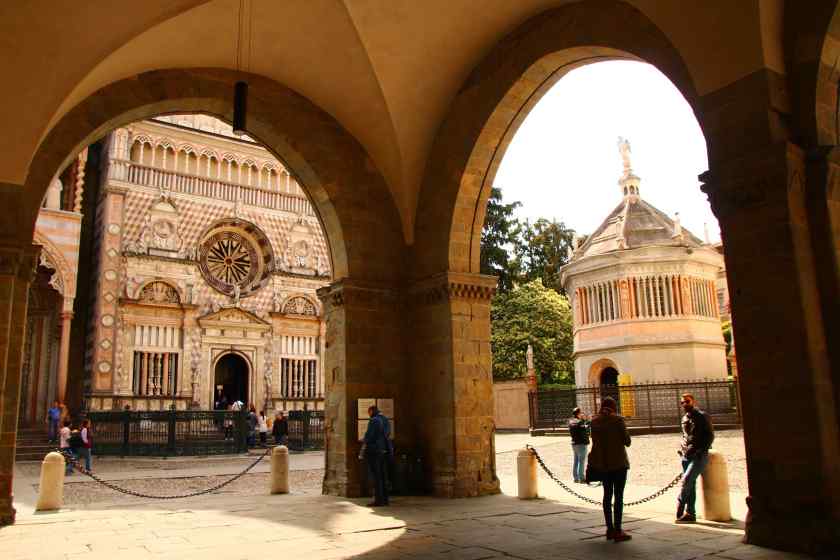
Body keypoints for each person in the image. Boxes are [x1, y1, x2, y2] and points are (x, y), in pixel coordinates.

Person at [589, 396, 632, 542]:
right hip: (619, 463)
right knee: (618, 496)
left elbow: (594, 442)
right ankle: (618, 530)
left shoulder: (594, 421)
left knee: (607, 495)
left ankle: (609, 529)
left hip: (603, 464)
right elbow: (627, 441)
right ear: (614, 407)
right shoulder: (618, 420)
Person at [676, 392, 715, 524]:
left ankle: (680, 502)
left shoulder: (702, 416)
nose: (685, 404)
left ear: (693, 402)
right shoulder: (684, 418)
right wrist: (682, 447)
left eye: (687, 401)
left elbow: (710, 436)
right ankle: (690, 513)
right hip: (686, 455)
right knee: (690, 484)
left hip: (698, 455)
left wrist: (700, 449)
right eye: (682, 402)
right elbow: (684, 436)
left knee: (687, 480)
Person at [360, 405, 391, 507]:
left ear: (372, 411)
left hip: (375, 451)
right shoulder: (385, 419)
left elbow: (369, 436)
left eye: (369, 412)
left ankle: (379, 500)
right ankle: (385, 499)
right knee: (383, 475)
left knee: (376, 476)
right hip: (384, 450)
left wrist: (364, 445)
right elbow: (387, 433)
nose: (368, 414)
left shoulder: (373, 420)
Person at [568, 407, 590, 483]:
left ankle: (576, 478)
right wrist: (586, 421)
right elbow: (584, 430)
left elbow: (579, 428)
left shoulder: (570, 421)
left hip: (574, 443)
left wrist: (583, 421)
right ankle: (581, 478)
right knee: (581, 461)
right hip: (581, 444)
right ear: (578, 413)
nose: (582, 414)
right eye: (581, 413)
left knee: (576, 461)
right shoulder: (580, 422)